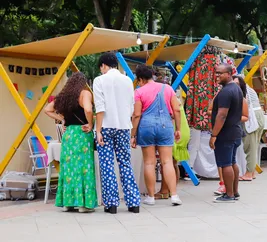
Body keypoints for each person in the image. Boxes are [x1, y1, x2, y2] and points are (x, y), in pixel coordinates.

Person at [93, 52, 141, 214]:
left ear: (103, 66)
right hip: (124, 126)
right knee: (125, 163)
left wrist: (98, 130)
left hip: (106, 125)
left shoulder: (99, 80)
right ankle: (133, 203)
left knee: (107, 165)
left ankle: (111, 204)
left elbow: (100, 108)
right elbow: (132, 106)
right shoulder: (128, 80)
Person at [44, 72, 97, 213]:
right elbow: (88, 109)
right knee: (83, 169)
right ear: (83, 83)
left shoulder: (63, 96)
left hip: (68, 136)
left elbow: (47, 110)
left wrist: (62, 119)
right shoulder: (85, 93)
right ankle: (83, 204)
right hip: (82, 133)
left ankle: (68, 203)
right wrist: (90, 124)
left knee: (68, 169)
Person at [131, 65, 182, 206]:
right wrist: (178, 128)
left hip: (146, 127)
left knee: (149, 162)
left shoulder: (139, 92)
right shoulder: (168, 89)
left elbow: (136, 115)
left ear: (140, 79)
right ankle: (174, 195)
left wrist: (132, 135)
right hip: (165, 125)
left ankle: (151, 197)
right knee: (167, 161)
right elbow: (176, 110)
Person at [209, 64, 244, 203]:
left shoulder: (226, 92)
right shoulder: (236, 89)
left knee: (225, 164)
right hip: (235, 131)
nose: (217, 76)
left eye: (220, 73)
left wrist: (214, 135)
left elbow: (221, 115)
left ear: (229, 74)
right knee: (232, 162)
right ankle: (234, 192)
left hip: (226, 133)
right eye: (216, 73)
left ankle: (229, 194)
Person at [233, 76, 263, 181]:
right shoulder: (249, 89)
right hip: (258, 116)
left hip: (252, 119)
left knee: (250, 147)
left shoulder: (242, 92)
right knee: (254, 145)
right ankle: (252, 172)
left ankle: (249, 173)